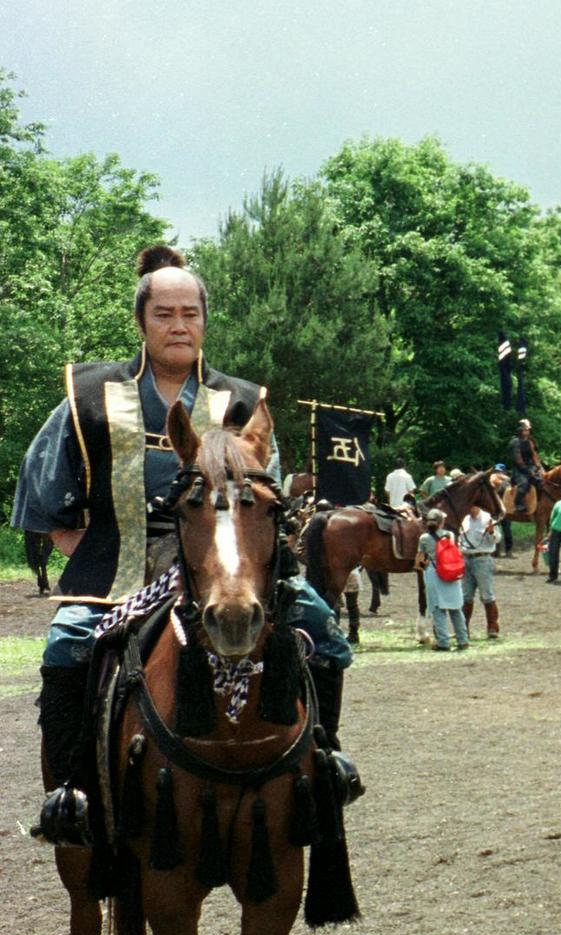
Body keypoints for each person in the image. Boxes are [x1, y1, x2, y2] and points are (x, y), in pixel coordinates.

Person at [11, 245, 353, 845]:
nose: (179, 325)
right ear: (142, 320)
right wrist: (87, 550)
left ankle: (326, 758)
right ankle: (70, 795)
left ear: (204, 320)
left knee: (323, 631)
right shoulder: (90, 395)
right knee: (65, 643)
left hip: (231, 565)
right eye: (164, 313)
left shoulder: (244, 402)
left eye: (190, 313)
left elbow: (266, 496)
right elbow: (47, 496)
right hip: (119, 570)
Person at [417, 514, 469, 649]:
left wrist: (424, 565)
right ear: (442, 522)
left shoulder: (424, 538)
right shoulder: (450, 535)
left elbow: (419, 562)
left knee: (438, 609)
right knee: (456, 609)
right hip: (451, 572)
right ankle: (463, 640)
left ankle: (443, 642)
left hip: (434, 574)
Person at [458, 498, 501, 637]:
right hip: (466, 558)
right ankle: (464, 629)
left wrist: (491, 532)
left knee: (487, 594)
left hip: (482, 558)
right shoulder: (464, 519)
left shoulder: (488, 519)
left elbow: (497, 538)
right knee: (466, 596)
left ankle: (492, 626)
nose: (471, 509)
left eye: (473, 506)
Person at [506, 419, 544, 516]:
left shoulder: (530, 441)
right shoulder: (515, 442)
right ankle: (518, 504)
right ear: (520, 430)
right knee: (524, 484)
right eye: (525, 430)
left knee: (542, 481)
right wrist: (528, 472)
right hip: (519, 469)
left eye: (528, 430)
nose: (527, 432)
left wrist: (538, 467)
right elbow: (518, 460)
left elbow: (534, 455)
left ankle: (540, 504)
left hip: (530, 466)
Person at [488, 465, 515, 556]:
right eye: (496, 471)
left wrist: (504, 479)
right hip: (495, 509)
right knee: (494, 529)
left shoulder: (507, 483)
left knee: (507, 530)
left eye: (499, 471)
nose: (497, 473)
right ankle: (496, 551)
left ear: (504, 472)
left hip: (505, 510)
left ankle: (509, 550)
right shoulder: (492, 482)